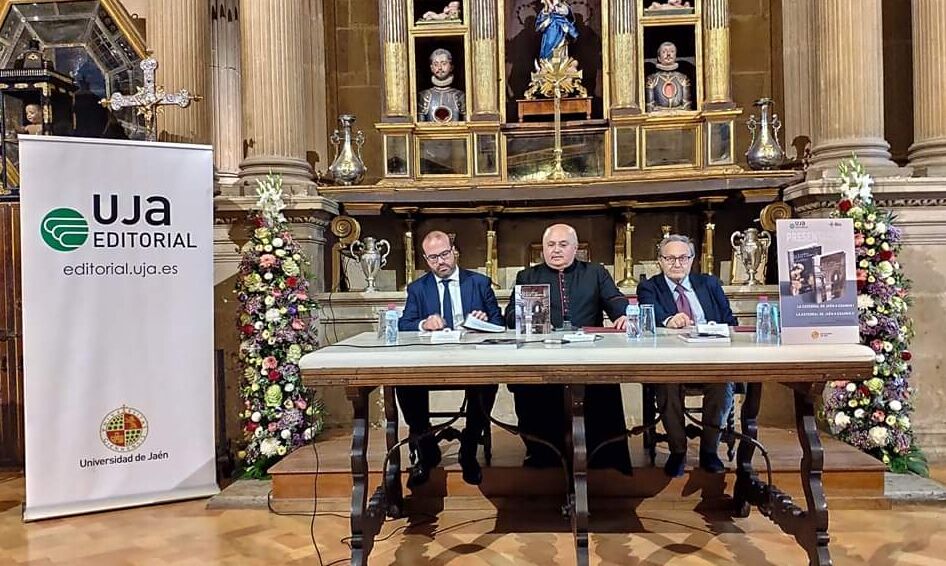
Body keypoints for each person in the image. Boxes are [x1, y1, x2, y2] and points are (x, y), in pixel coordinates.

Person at [504, 224, 633, 474]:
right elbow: (509, 315)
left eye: (563, 245)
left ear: (576, 248)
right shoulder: (527, 276)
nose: (556, 250)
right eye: (550, 245)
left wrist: (625, 316)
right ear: (543, 249)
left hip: (588, 356)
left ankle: (603, 457)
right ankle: (543, 454)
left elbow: (616, 301)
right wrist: (523, 316)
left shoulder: (595, 273)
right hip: (541, 357)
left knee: (603, 390)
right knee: (528, 388)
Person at [397, 230, 502, 486]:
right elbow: (404, 324)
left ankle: (469, 447)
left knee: (489, 381)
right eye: (433, 258)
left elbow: (501, 322)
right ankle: (426, 445)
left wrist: (484, 323)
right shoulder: (418, 289)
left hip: (472, 359)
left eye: (444, 254)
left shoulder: (479, 282)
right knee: (403, 382)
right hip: (431, 361)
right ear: (425, 259)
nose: (440, 262)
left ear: (454, 251)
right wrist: (424, 323)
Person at [636, 234, 738, 477]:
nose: (676, 263)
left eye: (682, 257)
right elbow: (650, 313)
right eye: (669, 258)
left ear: (692, 260)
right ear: (659, 261)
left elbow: (730, 320)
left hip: (711, 360)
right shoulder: (649, 287)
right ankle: (678, 450)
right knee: (667, 385)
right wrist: (669, 319)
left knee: (723, 384)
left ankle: (709, 450)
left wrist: (714, 328)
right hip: (671, 363)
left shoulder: (709, 284)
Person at [417, 48, 466, 123]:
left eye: (444, 63)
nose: (439, 68)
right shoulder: (423, 95)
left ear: (451, 67)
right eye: (436, 64)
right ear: (431, 68)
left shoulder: (460, 96)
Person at [644, 42, 692, 112]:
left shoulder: (683, 78)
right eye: (664, 52)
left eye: (672, 51)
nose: (668, 54)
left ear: (675, 56)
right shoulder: (652, 79)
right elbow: (650, 106)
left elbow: (687, 105)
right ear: (659, 58)